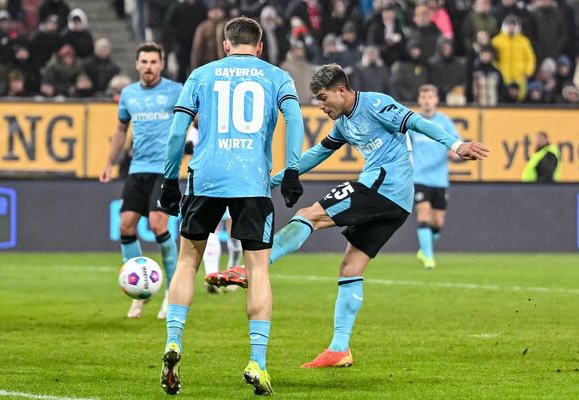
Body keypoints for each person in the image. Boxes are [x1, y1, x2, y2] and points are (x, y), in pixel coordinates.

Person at [206, 63, 488, 369]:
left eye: (324, 98)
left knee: (309, 215)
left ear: (342, 90)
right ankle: (339, 349)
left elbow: (417, 122)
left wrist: (457, 145)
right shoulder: (343, 123)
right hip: (396, 203)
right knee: (351, 266)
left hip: (381, 188)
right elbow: (319, 152)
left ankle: (254, 267)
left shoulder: (376, 104)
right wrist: (280, 177)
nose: (321, 105)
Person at [157, 16, 304, 395]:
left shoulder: (202, 75)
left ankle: (174, 339)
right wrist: (292, 171)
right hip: (252, 182)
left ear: (226, 45)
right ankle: (258, 361)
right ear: (259, 46)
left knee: (187, 261)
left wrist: (169, 177)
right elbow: (295, 118)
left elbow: (177, 131)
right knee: (257, 270)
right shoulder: (276, 76)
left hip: (205, 178)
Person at [99, 42, 181, 320]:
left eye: (153, 62)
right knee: (126, 224)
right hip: (137, 169)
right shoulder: (129, 94)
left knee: (158, 224)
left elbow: (194, 124)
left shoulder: (175, 91)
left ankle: (172, 292)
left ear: (161, 64)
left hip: (165, 169)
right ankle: (138, 291)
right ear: (137, 65)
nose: (148, 67)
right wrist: (110, 163)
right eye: (144, 62)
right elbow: (121, 130)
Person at [409, 85, 461, 269]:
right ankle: (429, 258)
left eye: (430, 97)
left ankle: (425, 249)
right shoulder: (413, 122)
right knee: (423, 212)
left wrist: (454, 153)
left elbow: (456, 146)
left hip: (439, 179)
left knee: (437, 222)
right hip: (419, 177)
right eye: (423, 97)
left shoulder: (445, 122)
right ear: (419, 100)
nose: (427, 100)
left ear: (436, 99)